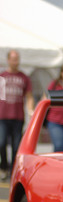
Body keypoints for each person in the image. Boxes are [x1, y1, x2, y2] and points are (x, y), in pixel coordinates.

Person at [0, 50, 35, 180]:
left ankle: (13, 170)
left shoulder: (24, 77)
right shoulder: (2, 76)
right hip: (2, 116)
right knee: (1, 143)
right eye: (13, 59)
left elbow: (29, 96)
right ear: (8, 60)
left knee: (16, 146)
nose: (16, 61)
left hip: (18, 116)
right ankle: (3, 167)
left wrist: (31, 111)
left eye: (17, 59)